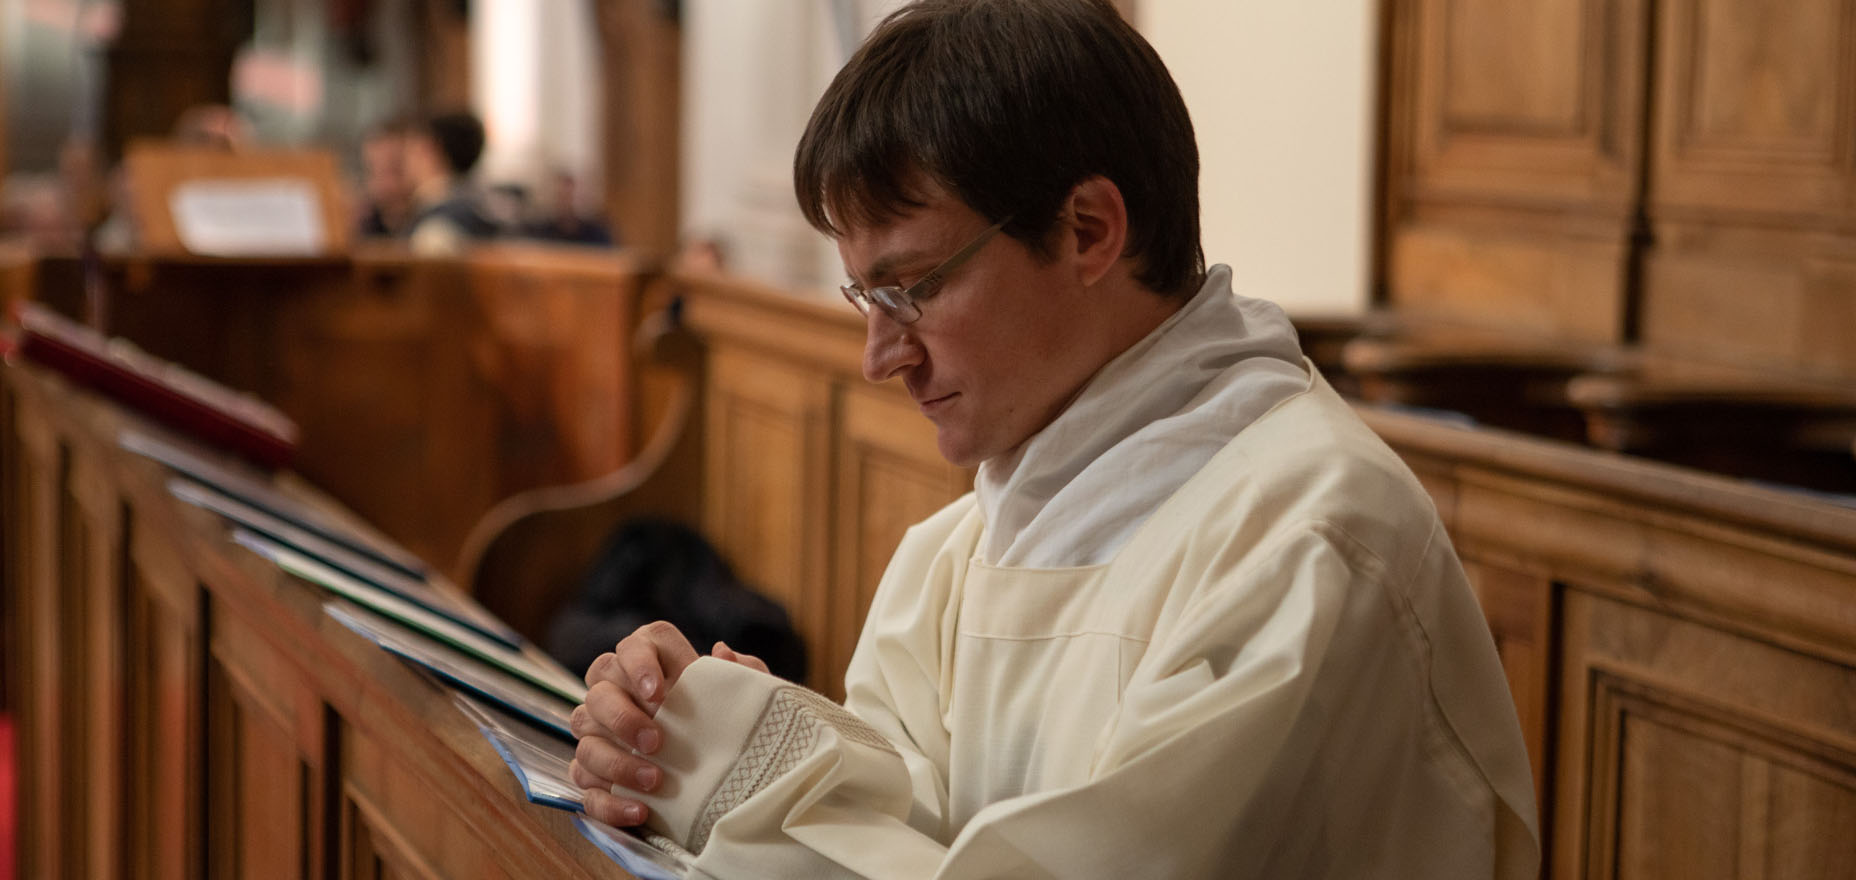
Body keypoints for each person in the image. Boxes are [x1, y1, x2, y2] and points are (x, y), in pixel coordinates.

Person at [568, 1, 1539, 877]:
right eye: (866, 296)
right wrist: (703, 730)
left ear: (1087, 229)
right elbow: (904, 817)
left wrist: (739, 779)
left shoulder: (1307, 545)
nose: (878, 357)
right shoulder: (959, 549)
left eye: (911, 288)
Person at [402, 110, 501, 253]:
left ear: (428, 149)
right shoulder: (479, 204)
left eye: (410, 147)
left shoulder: (439, 226)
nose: (404, 158)